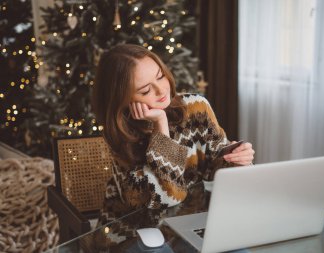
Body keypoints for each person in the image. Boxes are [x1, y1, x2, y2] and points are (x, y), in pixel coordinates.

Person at [92, 43, 255, 227]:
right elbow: (166, 197)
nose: (161, 90)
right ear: (122, 98)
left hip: (192, 224)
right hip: (134, 232)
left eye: (160, 77)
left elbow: (215, 168)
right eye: (145, 90)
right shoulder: (120, 134)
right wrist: (160, 124)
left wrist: (237, 159)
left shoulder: (196, 107)